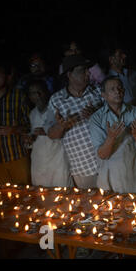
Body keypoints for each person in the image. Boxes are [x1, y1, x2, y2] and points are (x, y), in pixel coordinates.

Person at [44, 55, 103, 189]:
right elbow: (51, 134)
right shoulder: (56, 100)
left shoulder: (98, 91)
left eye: (88, 70)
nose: (88, 73)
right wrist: (62, 126)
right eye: (83, 70)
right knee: (90, 207)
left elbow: (116, 118)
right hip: (83, 168)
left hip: (107, 162)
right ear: (69, 75)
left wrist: (97, 115)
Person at [89, 76, 136, 194]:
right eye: (112, 89)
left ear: (124, 91)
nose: (117, 92)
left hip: (133, 174)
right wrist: (111, 138)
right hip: (110, 176)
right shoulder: (96, 118)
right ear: (103, 95)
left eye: (120, 88)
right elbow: (102, 155)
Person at [27, 80, 70, 187]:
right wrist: (29, 139)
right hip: (39, 161)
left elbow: (65, 132)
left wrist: (47, 131)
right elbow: (32, 139)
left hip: (58, 160)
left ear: (47, 92)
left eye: (40, 91)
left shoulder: (57, 110)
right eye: (33, 93)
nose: (38, 95)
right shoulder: (32, 114)